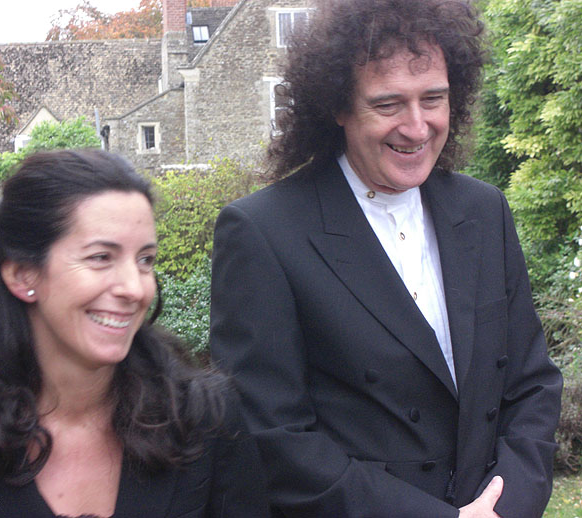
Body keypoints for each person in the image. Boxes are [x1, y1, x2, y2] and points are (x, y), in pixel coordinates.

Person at [209, 1, 563, 517]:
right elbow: (275, 438)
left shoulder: (484, 210)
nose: (417, 128)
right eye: (389, 104)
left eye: (434, 99)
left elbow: (531, 383)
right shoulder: (264, 232)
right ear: (338, 105)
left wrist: (505, 505)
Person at [0, 149, 269, 518]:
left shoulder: (206, 418)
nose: (134, 289)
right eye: (101, 257)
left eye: (145, 260)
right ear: (23, 274)